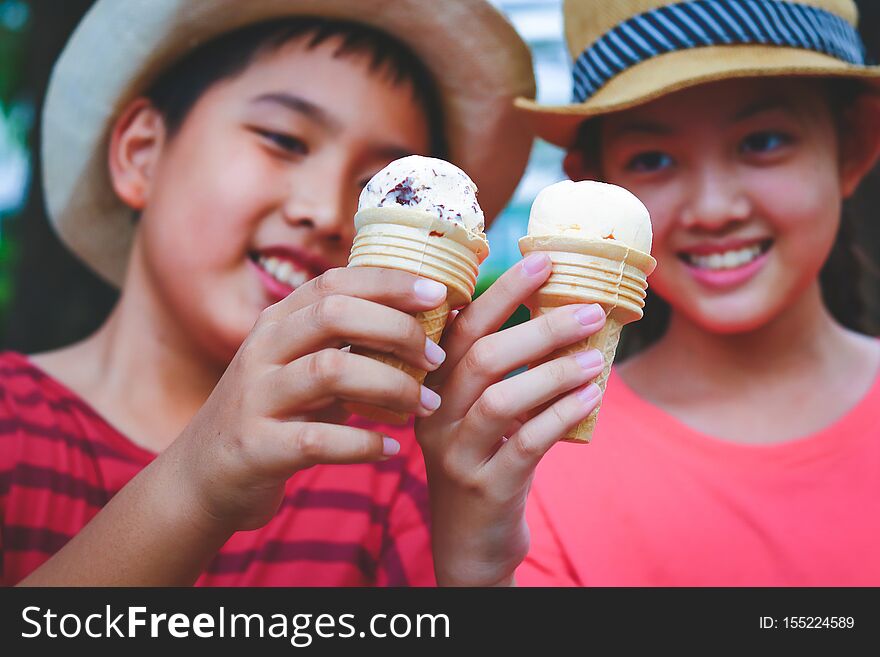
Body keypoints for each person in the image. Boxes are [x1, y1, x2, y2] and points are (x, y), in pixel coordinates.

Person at [2, 0, 610, 587]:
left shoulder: (395, 471)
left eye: (380, 186)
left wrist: (476, 577)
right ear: (141, 153)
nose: (326, 212)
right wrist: (191, 484)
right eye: (283, 140)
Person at [509, 0, 880, 585]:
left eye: (762, 142)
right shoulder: (527, 472)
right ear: (593, 190)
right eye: (653, 158)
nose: (713, 210)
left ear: (852, 148)